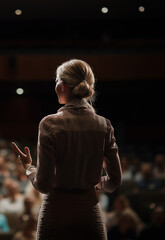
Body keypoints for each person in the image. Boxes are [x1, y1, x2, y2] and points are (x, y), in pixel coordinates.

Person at [11, 59, 122, 240]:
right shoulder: (104, 125)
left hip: (56, 213)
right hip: (89, 213)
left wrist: (29, 168)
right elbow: (115, 180)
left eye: (56, 81)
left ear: (62, 86)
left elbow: (44, 184)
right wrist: (96, 183)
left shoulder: (49, 123)